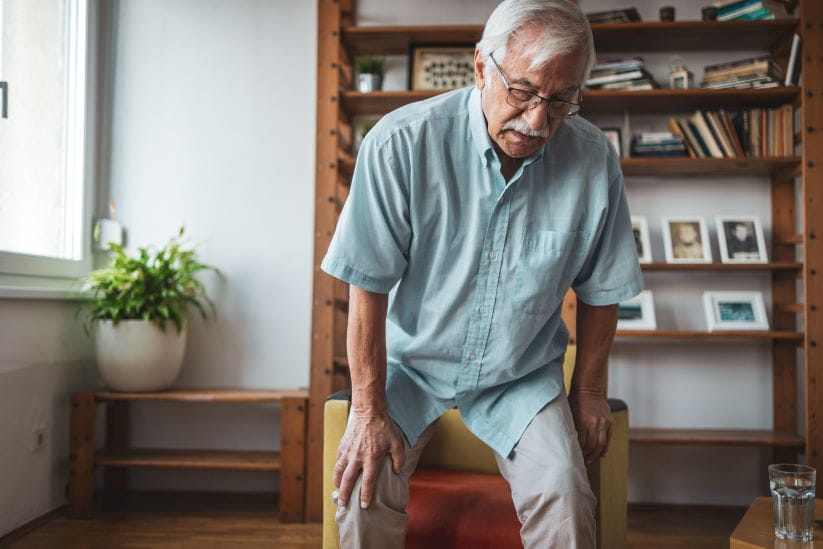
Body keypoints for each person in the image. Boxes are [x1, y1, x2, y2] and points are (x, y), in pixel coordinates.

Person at [320, 1, 644, 547]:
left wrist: (588, 390)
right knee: (362, 487)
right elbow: (367, 285)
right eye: (522, 91)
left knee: (566, 491)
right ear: (480, 68)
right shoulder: (401, 144)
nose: (538, 120)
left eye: (562, 98)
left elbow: (603, 288)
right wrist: (368, 411)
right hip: (410, 367)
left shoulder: (592, 158)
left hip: (520, 375)